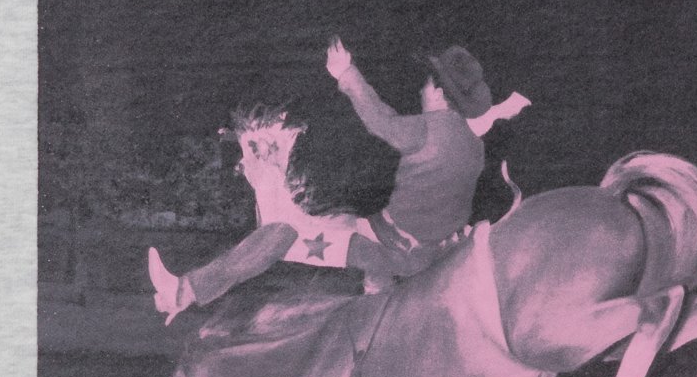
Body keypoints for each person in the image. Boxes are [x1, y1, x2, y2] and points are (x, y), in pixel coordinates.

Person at [148, 41, 529, 320]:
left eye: (428, 85)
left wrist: (346, 74)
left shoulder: (430, 129)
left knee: (283, 234)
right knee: (341, 219)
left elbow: (381, 120)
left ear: (441, 94)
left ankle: (183, 291)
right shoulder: (469, 142)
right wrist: (500, 110)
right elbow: (470, 127)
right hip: (430, 247)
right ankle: (376, 309)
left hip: (395, 249)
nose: (421, 90)